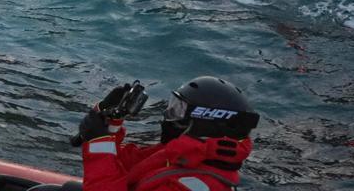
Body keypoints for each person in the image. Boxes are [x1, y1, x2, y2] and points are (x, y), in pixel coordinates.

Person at [75, 76, 259, 191]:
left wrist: (98, 145)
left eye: (179, 109)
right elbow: (122, 165)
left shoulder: (196, 184)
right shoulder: (184, 156)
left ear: (207, 123)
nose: (168, 116)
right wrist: (109, 121)